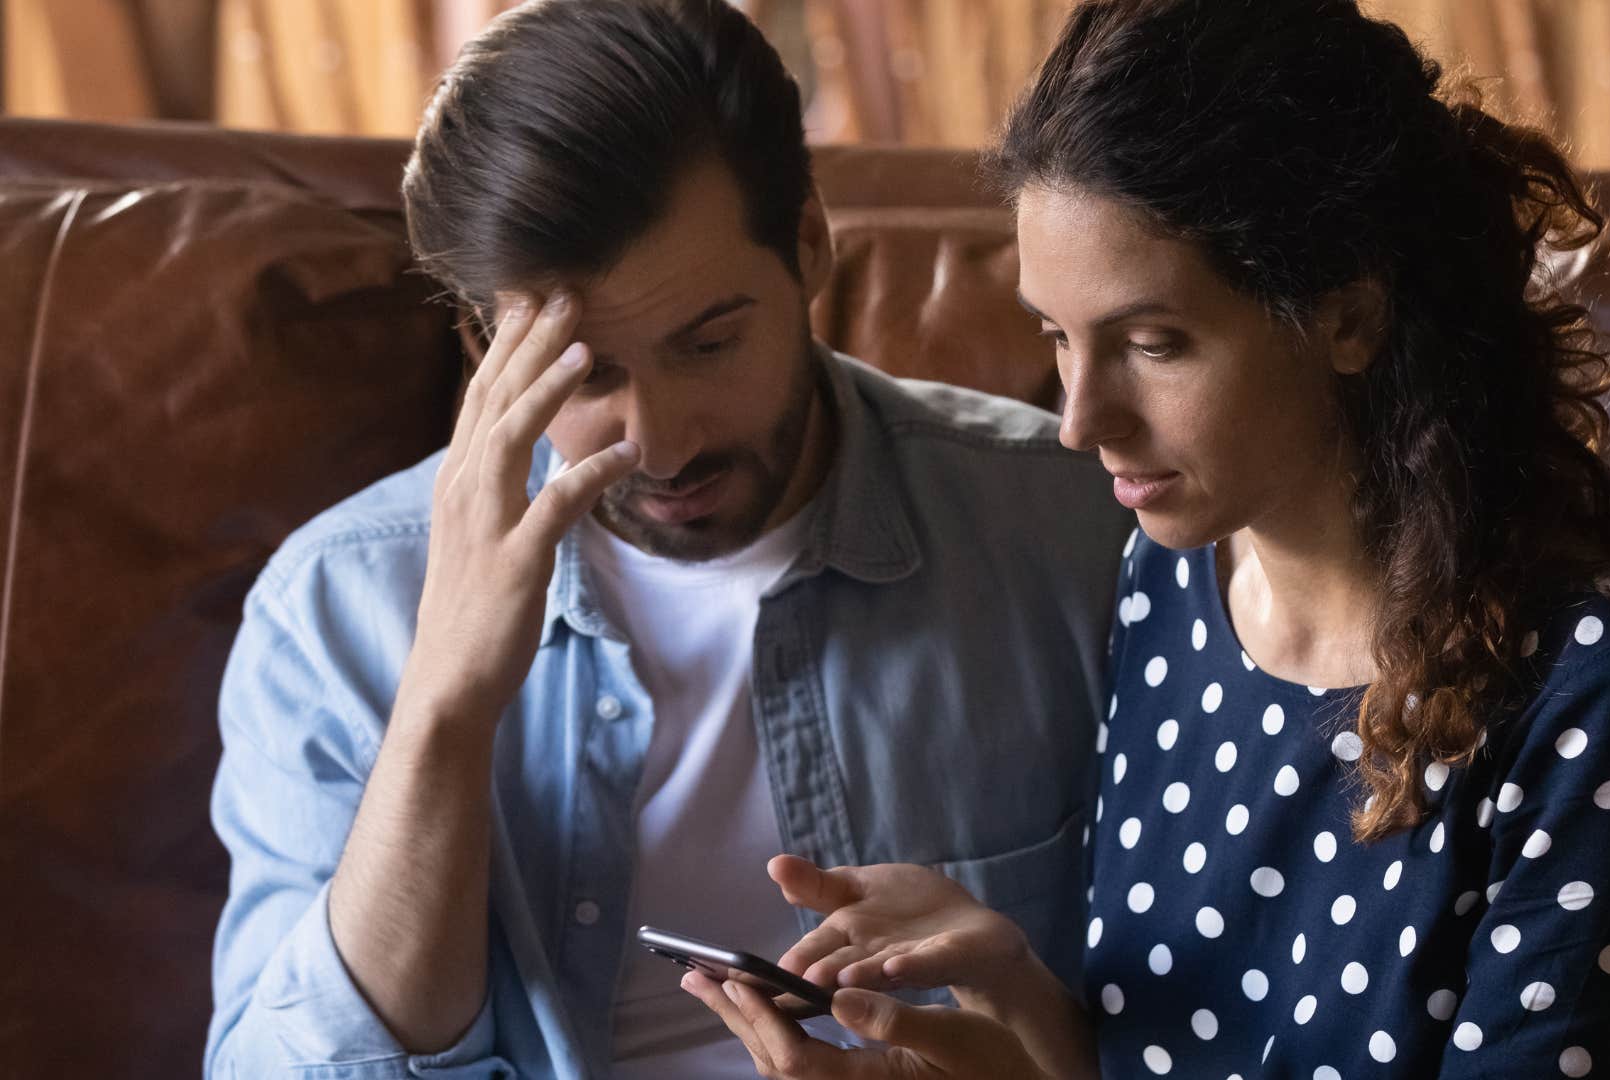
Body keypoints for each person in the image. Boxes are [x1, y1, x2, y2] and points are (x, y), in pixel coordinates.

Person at [684, 1, 1610, 1077]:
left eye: (1155, 344)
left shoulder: (1606, 705)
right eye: (1057, 337)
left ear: (1347, 318)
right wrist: (1009, 985)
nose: (1078, 419)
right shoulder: (1173, 572)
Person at [202, 1, 1131, 1076]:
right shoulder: (335, 609)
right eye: (587, 372)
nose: (661, 442)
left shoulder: (1071, 529)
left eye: (710, 342)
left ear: (810, 246)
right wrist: (445, 707)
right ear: (481, 340)